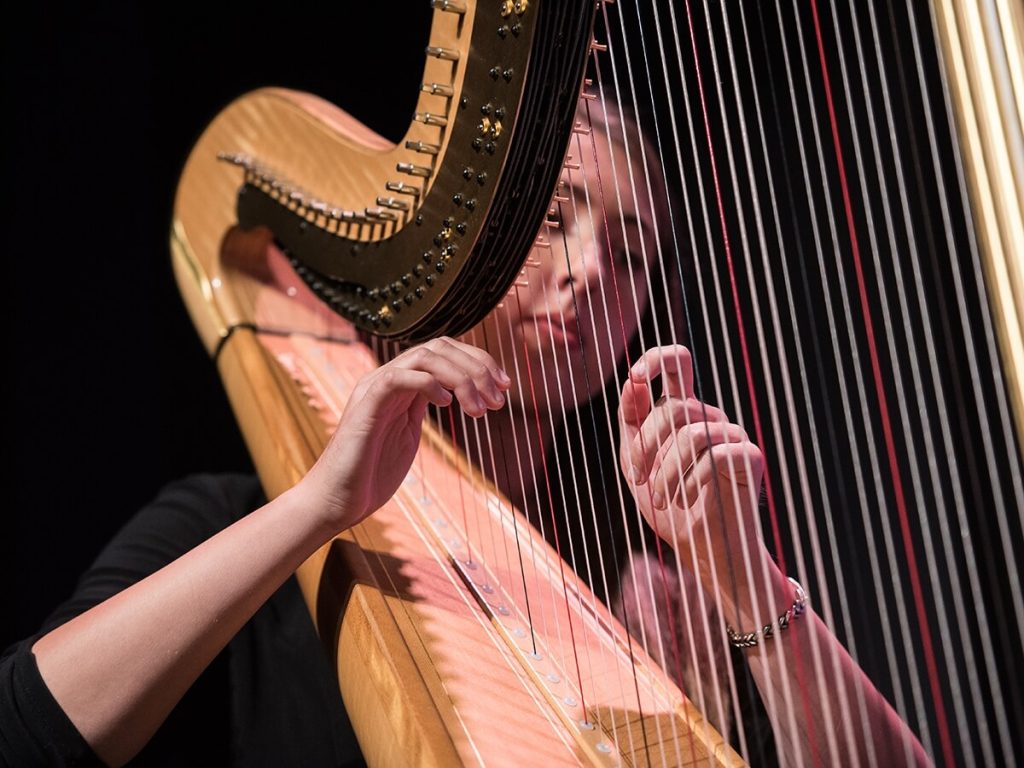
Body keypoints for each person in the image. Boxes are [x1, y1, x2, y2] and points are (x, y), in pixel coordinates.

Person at [1, 95, 930, 768]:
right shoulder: (239, 523)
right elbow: (27, 731)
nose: (591, 271)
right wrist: (322, 505)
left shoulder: (657, 604)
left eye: (633, 251)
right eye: (555, 220)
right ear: (467, 244)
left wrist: (744, 578)